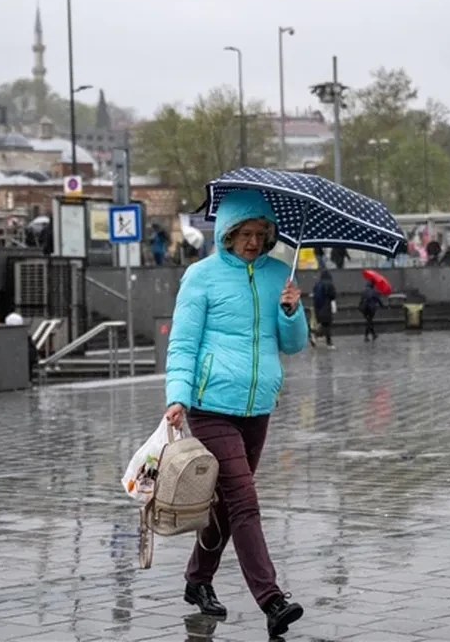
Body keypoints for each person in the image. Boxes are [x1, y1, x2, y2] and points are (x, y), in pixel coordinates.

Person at [164, 189, 307, 638]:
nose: (251, 241)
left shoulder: (279, 275)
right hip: (210, 407)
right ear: (225, 234)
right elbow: (183, 343)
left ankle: (197, 580)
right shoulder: (201, 276)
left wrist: (291, 310)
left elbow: (294, 344)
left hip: (258, 406)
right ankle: (272, 599)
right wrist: (177, 397)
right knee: (245, 501)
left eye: (260, 233)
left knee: (227, 503)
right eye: (243, 233)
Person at [311, 270, 337, 349]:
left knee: (324, 325)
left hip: (318, 308)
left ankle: (326, 341)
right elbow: (333, 295)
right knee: (327, 325)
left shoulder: (317, 284)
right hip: (326, 307)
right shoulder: (329, 284)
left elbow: (314, 296)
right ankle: (317, 336)